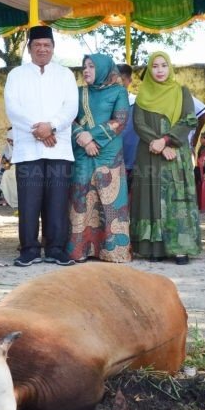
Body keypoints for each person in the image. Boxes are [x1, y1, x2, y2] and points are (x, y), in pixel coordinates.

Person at [4, 25, 78, 267]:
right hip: (28, 148)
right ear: (29, 49)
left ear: (53, 48)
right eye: (37, 45)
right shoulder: (17, 75)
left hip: (59, 147)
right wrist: (38, 129)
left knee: (57, 201)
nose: (43, 49)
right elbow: (13, 108)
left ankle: (56, 248)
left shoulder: (65, 74)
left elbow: (71, 108)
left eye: (47, 45)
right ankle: (29, 249)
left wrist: (52, 126)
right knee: (29, 202)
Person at [130, 51, 200, 264]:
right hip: (150, 154)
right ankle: (154, 248)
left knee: (176, 199)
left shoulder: (182, 91)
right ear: (149, 70)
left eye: (163, 65)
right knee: (151, 198)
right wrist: (158, 144)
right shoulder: (143, 94)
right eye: (155, 66)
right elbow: (138, 123)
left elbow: (189, 120)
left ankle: (180, 248)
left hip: (176, 154)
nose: (159, 70)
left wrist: (167, 140)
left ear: (170, 68)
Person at [68, 53, 131, 263]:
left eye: (92, 66)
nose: (86, 70)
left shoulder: (118, 91)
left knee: (110, 201)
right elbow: (69, 119)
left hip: (109, 154)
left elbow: (120, 120)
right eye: (84, 66)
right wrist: (83, 139)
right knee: (82, 199)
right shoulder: (78, 93)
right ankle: (81, 250)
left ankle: (114, 251)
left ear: (104, 69)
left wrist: (91, 136)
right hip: (83, 152)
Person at [118, 63, 139, 189]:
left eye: (123, 80)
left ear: (129, 81)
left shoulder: (138, 103)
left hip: (132, 157)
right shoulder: (106, 104)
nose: (119, 84)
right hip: (112, 159)